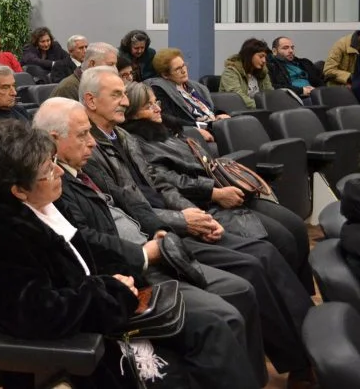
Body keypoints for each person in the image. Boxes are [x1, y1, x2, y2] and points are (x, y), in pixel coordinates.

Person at [81, 67, 315, 388]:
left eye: (125, 94)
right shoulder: (92, 149)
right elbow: (130, 208)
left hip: (174, 220)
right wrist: (185, 219)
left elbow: (158, 186)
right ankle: (297, 361)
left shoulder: (121, 137)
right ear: (91, 101)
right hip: (157, 236)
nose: (124, 101)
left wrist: (192, 213)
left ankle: (308, 350)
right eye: (117, 94)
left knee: (266, 253)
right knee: (253, 265)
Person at [33, 99, 265, 389]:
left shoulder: (83, 166)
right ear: (53, 139)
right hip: (128, 274)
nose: (92, 142)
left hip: (152, 247)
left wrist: (163, 230)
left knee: (242, 287)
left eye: (90, 132)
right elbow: (85, 243)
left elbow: (131, 200)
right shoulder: (51, 186)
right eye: (82, 134)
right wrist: (143, 254)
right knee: (224, 316)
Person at [120, 82, 314, 293]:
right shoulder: (139, 142)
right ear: (133, 114)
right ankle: (291, 300)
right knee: (280, 241)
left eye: (155, 102)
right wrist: (214, 192)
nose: (157, 108)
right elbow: (167, 181)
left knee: (295, 227)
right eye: (148, 106)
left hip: (223, 190)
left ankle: (304, 294)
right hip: (205, 202)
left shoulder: (168, 129)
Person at [147, 48, 228, 143]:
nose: (184, 71)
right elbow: (168, 119)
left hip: (213, 124)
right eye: (178, 69)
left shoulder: (194, 86)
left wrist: (219, 114)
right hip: (196, 129)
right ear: (165, 75)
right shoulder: (160, 89)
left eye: (183, 65)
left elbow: (208, 107)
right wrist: (194, 129)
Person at [51, 42, 117, 100]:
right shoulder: (68, 88)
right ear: (92, 64)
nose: (115, 69)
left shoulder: (99, 84)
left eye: (115, 65)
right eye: (110, 64)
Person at [219, 39, 273, 109]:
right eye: (261, 56)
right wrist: (263, 106)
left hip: (260, 110)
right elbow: (238, 97)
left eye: (265, 57)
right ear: (249, 55)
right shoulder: (230, 72)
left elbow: (269, 94)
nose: (264, 60)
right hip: (236, 111)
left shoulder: (262, 72)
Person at [268, 36, 323, 102]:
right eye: (285, 48)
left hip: (315, 94)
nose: (291, 51)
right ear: (274, 51)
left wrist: (319, 91)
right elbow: (273, 87)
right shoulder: (271, 66)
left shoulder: (305, 63)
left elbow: (320, 81)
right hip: (293, 99)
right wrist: (301, 91)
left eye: (292, 48)